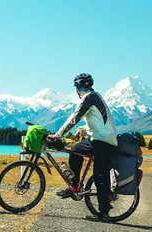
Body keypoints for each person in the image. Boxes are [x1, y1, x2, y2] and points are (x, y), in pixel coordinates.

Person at [46, 73, 118, 222]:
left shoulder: (89, 98)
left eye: (78, 87)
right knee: (76, 151)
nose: (79, 90)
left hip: (104, 141)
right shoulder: (94, 96)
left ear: (78, 88)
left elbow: (75, 117)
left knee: (100, 176)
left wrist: (58, 135)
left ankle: (104, 212)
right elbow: (99, 121)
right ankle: (75, 185)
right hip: (99, 138)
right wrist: (84, 129)